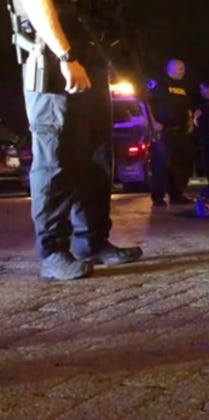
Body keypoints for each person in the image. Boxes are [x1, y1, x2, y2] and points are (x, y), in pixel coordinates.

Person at [9, 0, 142, 280]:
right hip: (52, 62)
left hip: (87, 62)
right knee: (55, 161)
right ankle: (52, 251)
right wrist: (65, 56)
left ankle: (91, 242)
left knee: (96, 157)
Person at [148, 59, 195, 207]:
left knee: (180, 163)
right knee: (161, 164)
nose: (183, 71)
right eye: (180, 68)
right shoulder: (159, 84)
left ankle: (177, 194)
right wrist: (153, 122)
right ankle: (158, 197)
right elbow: (147, 103)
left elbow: (187, 106)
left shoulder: (183, 86)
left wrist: (190, 120)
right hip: (164, 131)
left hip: (180, 130)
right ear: (171, 68)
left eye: (184, 68)